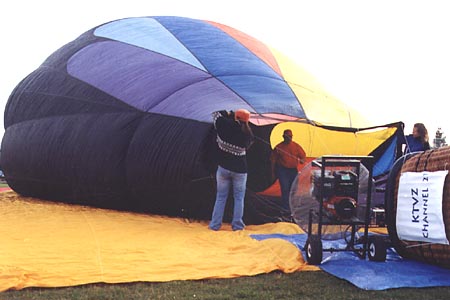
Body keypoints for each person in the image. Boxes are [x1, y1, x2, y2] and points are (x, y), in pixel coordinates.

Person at [209, 109, 254, 231]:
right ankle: (237, 226)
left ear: (235, 116)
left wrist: (226, 113)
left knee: (220, 197)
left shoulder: (225, 125)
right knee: (239, 198)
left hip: (223, 167)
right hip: (240, 170)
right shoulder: (248, 134)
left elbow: (215, 114)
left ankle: (215, 225)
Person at [270, 129, 306, 215]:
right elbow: (272, 160)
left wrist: (302, 160)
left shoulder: (296, 146)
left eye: (290, 137)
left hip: (293, 170)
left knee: (293, 189)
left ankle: (291, 206)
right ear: (283, 137)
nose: (288, 138)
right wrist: (272, 172)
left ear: (292, 137)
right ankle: (285, 208)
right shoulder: (279, 147)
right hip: (282, 170)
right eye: (287, 136)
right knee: (285, 188)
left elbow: (303, 156)